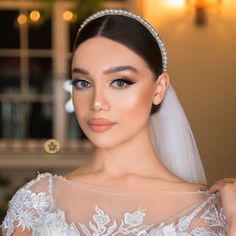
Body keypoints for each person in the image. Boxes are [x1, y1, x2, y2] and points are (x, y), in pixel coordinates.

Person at [1, 9, 236, 236]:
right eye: (83, 83)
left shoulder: (211, 211)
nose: (97, 103)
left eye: (120, 82)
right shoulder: (37, 202)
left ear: (159, 88)